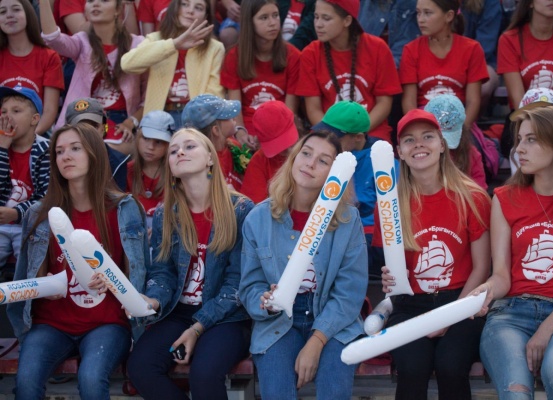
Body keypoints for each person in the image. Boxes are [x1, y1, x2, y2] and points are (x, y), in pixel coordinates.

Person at [7, 123, 149, 400]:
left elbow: (139, 273)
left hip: (107, 323)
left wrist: (111, 280)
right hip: (51, 323)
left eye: (75, 148)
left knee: (91, 380)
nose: (66, 157)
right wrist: (44, 287)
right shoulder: (39, 213)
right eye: (59, 152)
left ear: (94, 154)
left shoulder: (125, 208)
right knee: (26, 383)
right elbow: (26, 275)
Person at [471, 106, 553, 399]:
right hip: (509, 314)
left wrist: (545, 332)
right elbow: (501, 275)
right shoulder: (504, 198)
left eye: (531, 139)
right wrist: (485, 291)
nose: (519, 149)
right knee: (516, 391)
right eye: (519, 140)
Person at [127, 128, 254, 400]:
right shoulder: (165, 214)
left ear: (210, 158)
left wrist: (198, 328)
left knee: (204, 374)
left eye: (189, 146)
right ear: (171, 168)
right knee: (140, 367)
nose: (180, 152)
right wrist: (153, 300)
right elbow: (162, 271)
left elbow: (238, 283)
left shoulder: (241, 209)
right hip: (178, 312)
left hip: (227, 316)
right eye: (173, 151)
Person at [240, 130, 368, 399]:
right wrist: (264, 301)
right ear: (294, 158)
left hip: (332, 316)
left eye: (323, 161)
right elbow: (250, 286)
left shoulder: (348, 220)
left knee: (333, 389)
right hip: (277, 321)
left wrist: (317, 341)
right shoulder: (258, 218)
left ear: (335, 174)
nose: (310, 163)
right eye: (306, 153)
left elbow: (350, 292)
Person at [377, 109, 491, 400]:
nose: (418, 144)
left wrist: (449, 317)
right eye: (409, 140)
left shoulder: (473, 197)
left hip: (462, 301)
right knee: (412, 367)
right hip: (410, 305)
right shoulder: (390, 204)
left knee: (450, 365)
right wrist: (390, 277)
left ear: (442, 144)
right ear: (400, 152)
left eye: (427, 137)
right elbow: (396, 270)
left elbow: (482, 268)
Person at [39, 0, 144, 156]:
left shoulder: (138, 45)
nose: (95, 4)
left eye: (104, 0)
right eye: (90, 1)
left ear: (118, 10)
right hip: (83, 117)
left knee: (107, 154)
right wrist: (43, 2)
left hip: (122, 121)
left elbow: (149, 97)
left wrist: (130, 122)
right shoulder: (81, 41)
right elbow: (52, 38)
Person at [297, 0, 400, 143]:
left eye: (326, 18)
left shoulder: (378, 48)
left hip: (370, 130)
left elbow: (384, 104)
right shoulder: (310, 53)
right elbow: (313, 109)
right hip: (327, 132)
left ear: (347, 21)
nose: (318, 24)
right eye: (316, 17)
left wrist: (358, 133)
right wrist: (333, 137)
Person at [497, 0, 553, 155]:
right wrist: (535, 135)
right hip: (523, 120)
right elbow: (519, 99)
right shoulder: (509, 39)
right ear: (530, 3)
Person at [311, 100, 386, 277]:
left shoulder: (382, 159)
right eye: (324, 131)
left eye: (334, 135)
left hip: (367, 233)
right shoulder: (326, 155)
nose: (327, 139)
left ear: (358, 137)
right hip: (329, 227)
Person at [121, 0, 224, 128]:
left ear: (206, 17)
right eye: (184, 4)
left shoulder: (215, 48)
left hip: (195, 118)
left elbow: (214, 94)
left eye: (198, 8)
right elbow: (127, 64)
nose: (190, 11)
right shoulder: (155, 39)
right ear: (175, 8)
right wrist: (174, 44)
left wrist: (197, 123)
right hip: (158, 117)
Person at [220, 0, 300, 148]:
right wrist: (240, 132)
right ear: (249, 22)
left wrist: (271, 138)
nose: (273, 23)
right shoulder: (234, 56)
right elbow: (235, 106)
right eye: (264, 17)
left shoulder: (292, 55)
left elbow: (290, 111)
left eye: (275, 15)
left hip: (280, 131)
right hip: (247, 129)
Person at [399, 0, 489, 132]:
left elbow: (473, 101)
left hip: (459, 122)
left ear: (449, 16)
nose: (420, 19)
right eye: (418, 13)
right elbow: (409, 102)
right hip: (423, 121)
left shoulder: (472, 49)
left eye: (428, 13)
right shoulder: (411, 50)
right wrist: (422, 130)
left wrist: (460, 133)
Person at [0, 84, 49, 266]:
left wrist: (16, 213)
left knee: (28, 264)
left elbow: (47, 196)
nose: (7, 116)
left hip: (30, 224)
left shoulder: (46, 151)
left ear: (34, 119)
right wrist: (2, 149)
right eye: (3, 111)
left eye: (16, 111)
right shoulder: (0, 147)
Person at [0, 0, 64, 135]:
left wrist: (29, 138)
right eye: (2, 12)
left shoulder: (49, 57)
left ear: (28, 14)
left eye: (16, 9)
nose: (9, 15)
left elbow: (49, 111)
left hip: (37, 134)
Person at [182, 94, 248, 191]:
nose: (234, 118)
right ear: (216, 130)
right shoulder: (203, 164)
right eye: (228, 116)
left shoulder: (234, 146)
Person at [65, 97, 130, 191]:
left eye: (94, 126)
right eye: (80, 128)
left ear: (103, 128)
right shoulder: (60, 160)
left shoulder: (119, 163)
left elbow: (119, 198)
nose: (88, 133)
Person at [240, 100, 298, 203]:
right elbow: (254, 206)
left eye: (288, 142)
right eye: (278, 145)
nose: (286, 150)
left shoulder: (313, 150)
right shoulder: (259, 161)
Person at [424, 94, 487, 189]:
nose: (443, 145)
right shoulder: (418, 154)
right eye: (430, 137)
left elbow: (480, 190)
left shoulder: (471, 153)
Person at [127, 111, 175, 228]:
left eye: (158, 142)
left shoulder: (175, 173)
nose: (150, 147)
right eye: (146, 138)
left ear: (169, 144)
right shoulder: (125, 170)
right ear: (138, 137)